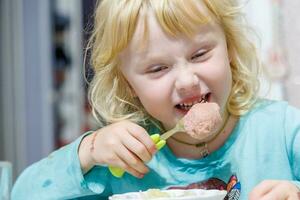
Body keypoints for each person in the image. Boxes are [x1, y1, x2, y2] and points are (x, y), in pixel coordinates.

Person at [12, 0, 300, 199]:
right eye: (158, 68)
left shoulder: (281, 129)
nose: (187, 80)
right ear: (129, 85)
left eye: (200, 54)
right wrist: (88, 151)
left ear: (231, 50)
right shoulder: (123, 160)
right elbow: (22, 194)